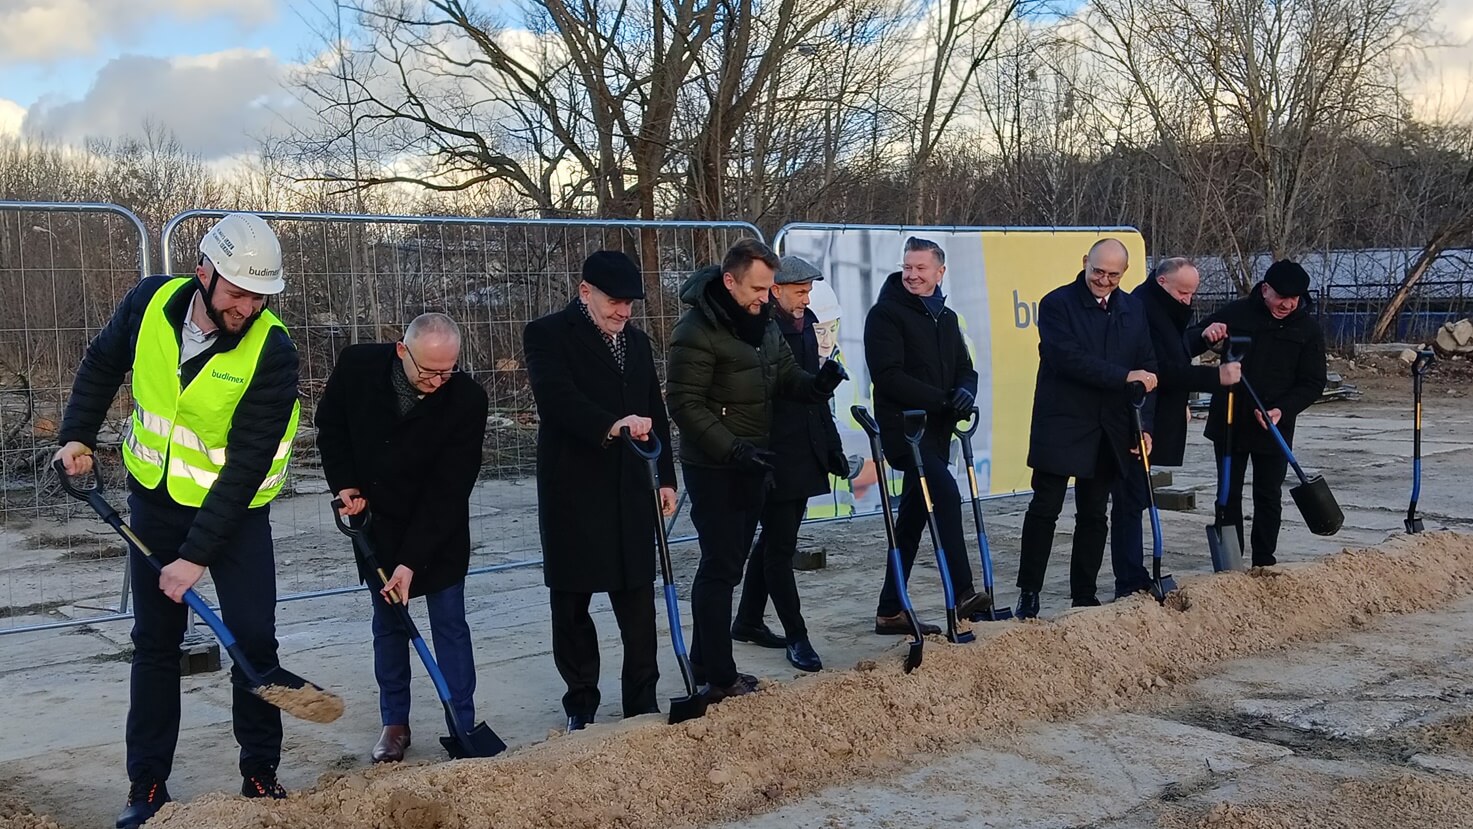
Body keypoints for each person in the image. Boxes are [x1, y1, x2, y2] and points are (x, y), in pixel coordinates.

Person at [52, 213, 301, 827]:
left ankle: (261, 774)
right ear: (204, 275)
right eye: (238, 292)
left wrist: (194, 558)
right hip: (156, 503)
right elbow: (102, 362)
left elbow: (244, 468)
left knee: (252, 639)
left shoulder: (273, 350)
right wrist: (77, 434)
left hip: (236, 515)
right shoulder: (149, 302)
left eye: (259, 296)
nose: (248, 307)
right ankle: (148, 786)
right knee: (155, 645)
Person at [666, 239, 846, 701]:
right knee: (719, 569)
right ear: (730, 281)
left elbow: (787, 379)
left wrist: (819, 384)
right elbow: (684, 404)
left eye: (769, 288)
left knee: (728, 568)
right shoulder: (697, 329)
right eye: (757, 288)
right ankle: (720, 676)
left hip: (752, 462)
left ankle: (707, 663)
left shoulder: (762, 323)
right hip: (716, 466)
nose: (765, 297)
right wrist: (732, 450)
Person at [314, 312, 488, 762]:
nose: (438, 380)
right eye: (429, 371)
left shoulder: (467, 398)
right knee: (388, 626)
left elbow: (450, 489)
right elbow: (330, 427)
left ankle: (461, 722)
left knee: (449, 624)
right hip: (380, 523)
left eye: (447, 370)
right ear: (402, 352)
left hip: (439, 527)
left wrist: (412, 562)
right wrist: (346, 483)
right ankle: (394, 723)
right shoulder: (357, 367)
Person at [522, 251, 677, 731]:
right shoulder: (546, 335)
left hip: (631, 487)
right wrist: (611, 425)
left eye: (630, 304)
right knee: (572, 604)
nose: (623, 312)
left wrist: (666, 477)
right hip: (573, 488)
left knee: (637, 601)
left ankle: (642, 702)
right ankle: (582, 703)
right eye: (615, 302)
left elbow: (654, 408)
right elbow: (557, 400)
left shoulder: (637, 342)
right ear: (584, 291)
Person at [1015, 238, 1158, 619]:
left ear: (1124, 274)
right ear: (1085, 263)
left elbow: (1148, 369)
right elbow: (1069, 360)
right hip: (1062, 422)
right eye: (1098, 271)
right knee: (1045, 509)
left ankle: (1084, 594)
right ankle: (1029, 592)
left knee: (1094, 514)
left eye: (1113, 275)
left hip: (1110, 427)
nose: (1104, 280)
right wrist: (1126, 376)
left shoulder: (1132, 309)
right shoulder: (1056, 304)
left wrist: (1143, 426)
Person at [864, 236, 989, 636]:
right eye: (908, 267)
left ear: (940, 272)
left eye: (920, 268)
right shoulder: (885, 315)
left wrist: (965, 391)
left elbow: (964, 368)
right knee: (946, 495)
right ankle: (964, 592)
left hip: (936, 432)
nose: (912, 274)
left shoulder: (946, 317)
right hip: (905, 432)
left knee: (913, 518)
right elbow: (889, 377)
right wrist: (942, 401)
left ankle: (889, 610)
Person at [731, 255, 847, 673]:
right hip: (771, 453)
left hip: (804, 449)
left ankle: (746, 621)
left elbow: (816, 392)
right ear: (774, 290)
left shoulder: (807, 321)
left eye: (809, 290)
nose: (807, 298)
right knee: (779, 548)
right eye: (800, 291)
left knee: (775, 541)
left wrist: (830, 447)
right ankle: (797, 636)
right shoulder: (757, 329)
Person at [1109, 258, 1241, 597]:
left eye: (1192, 294)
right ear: (1162, 281)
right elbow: (1162, 368)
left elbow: (1176, 348)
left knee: (1137, 497)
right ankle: (1130, 578)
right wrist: (1216, 378)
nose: (1188, 300)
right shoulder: (1142, 308)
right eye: (1183, 292)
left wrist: (1200, 339)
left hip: (1153, 414)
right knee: (1130, 499)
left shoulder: (1163, 306)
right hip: (1135, 414)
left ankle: (1134, 574)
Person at [1187, 259, 1327, 566]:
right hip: (1230, 421)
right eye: (1281, 296)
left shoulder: (1308, 329)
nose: (1287, 304)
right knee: (1228, 495)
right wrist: (1206, 335)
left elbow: (1314, 382)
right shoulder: (1236, 314)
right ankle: (1231, 564)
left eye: (1294, 298)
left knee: (1268, 495)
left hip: (1274, 425)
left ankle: (1264, 561)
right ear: (1265, 290)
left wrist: (1283, 409)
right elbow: (1191, 340)